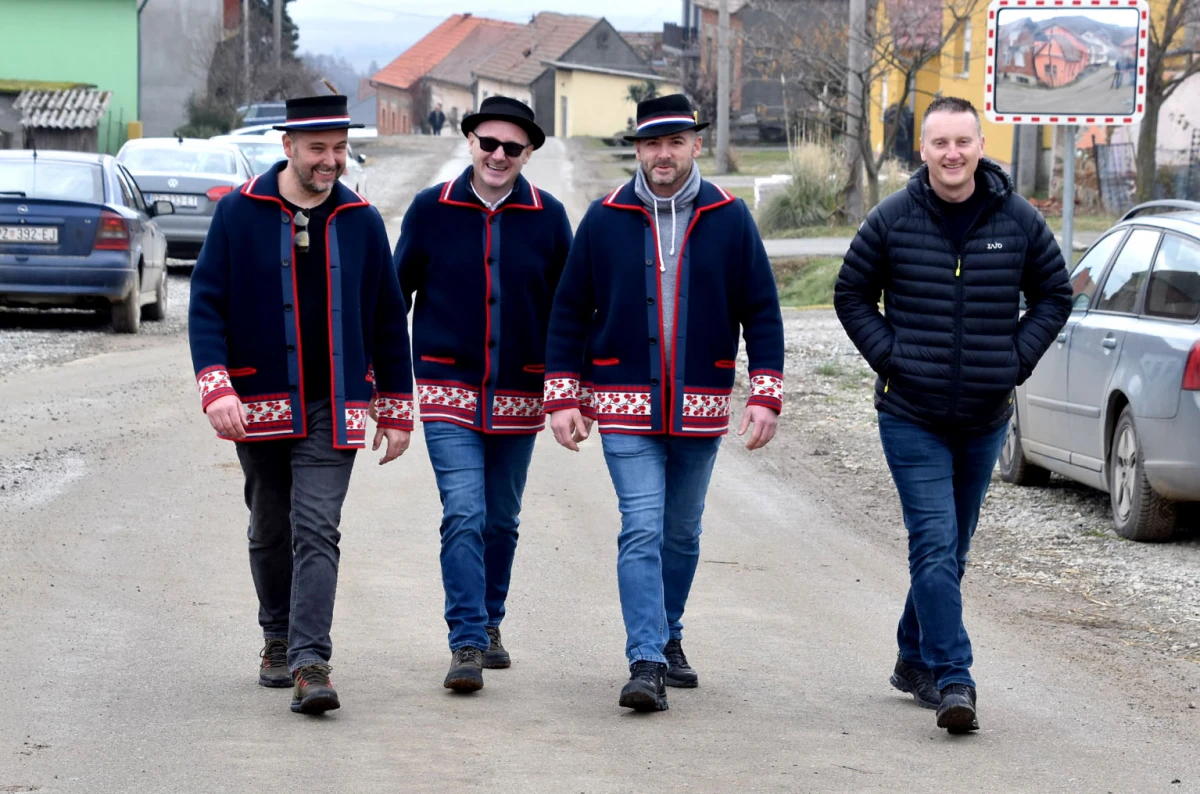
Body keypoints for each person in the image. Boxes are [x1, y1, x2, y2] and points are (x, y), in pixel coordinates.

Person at [834, 96, 1071, 734]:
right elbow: (850, 293)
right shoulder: (892, 218)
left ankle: (913, 657)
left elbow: (1055, 293)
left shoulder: (1017, 219)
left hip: (985, 416)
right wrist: (892, 357)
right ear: (924, 149)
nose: (952, 154)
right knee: (934, 544)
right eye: (940, 143)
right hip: (911, 413)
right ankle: (953, 677)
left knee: (952, 552)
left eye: (963, 142)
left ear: (980, 144)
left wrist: (1014, 360)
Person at [544, 94, 785, 713]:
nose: (662, 154)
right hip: (624, 405)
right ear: (637, 149)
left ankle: (669, 630)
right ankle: (646, 657)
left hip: (700, 405)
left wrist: (766, 392)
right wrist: (562, 394)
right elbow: (570, 310)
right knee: (642, 526)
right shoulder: (605, 217)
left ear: (694, 146)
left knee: (681, 532)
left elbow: (760, 308)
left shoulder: (730, 218)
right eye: (652, 143)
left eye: (675, 142)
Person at [189, 94, 414, 716]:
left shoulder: (362, 219)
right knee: (269, 525)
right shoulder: (239, 212)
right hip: (257, 401)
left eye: (339, 149)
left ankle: (312, 662)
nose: (331, 160)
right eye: (318, 149)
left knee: (317, 527)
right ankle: (276, 636)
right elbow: (206, 304)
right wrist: (216, 386)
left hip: (333, 405)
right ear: (287, 147)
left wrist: (396, 406)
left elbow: (388, 318)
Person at [393, 96, 573, 692]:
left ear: (528, 154)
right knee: (464, 512)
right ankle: (466, 641)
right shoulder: (430, 210)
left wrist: (570, 387)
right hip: (447, 386)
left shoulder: (549, 217)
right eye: (487, 143)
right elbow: (395, 300)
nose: (498, 155)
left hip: (521, 389)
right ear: (469, 141)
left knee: (502, 519)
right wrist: (383, 382)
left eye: (512, 148)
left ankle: (491, 621)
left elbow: (569, 311)